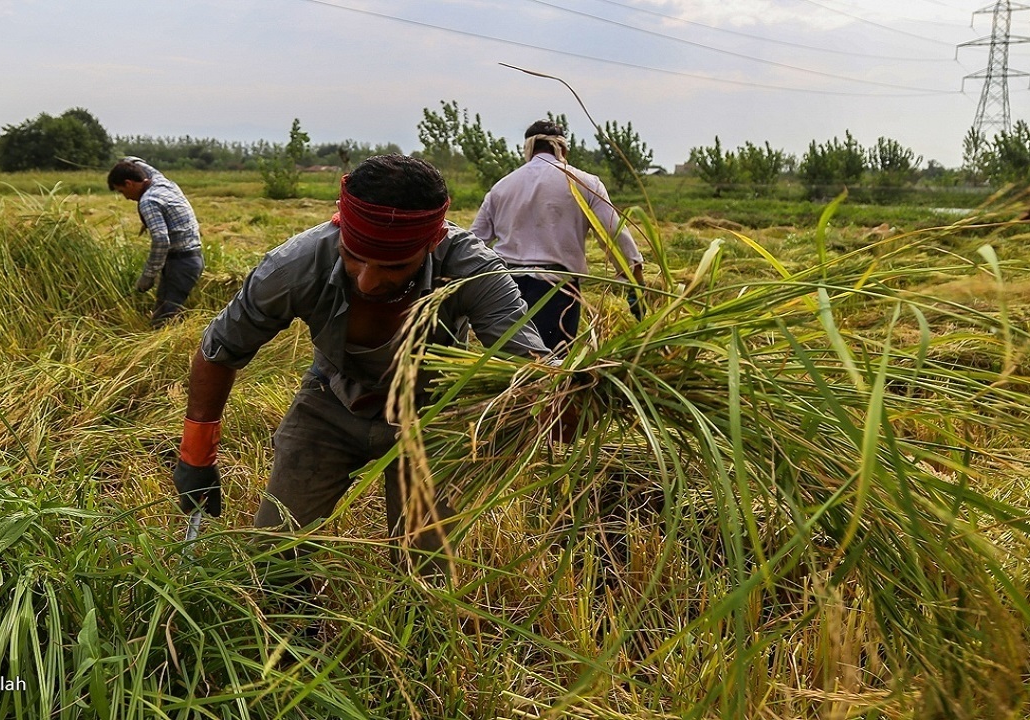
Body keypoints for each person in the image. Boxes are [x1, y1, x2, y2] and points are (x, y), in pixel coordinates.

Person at [169, 154, 550, 571]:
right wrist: (196, 454)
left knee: (425, 567)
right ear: (339, 225)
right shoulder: (293, 267)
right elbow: (218, 351)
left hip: (428, 413)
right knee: (275, 556)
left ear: (433, 242)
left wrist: (564, 392)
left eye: (395, 266)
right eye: (353, 257)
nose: (367, 280)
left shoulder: (472, 269)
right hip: (329, 403)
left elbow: (525, 362)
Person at [471, 120, 645, 349]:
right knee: (553, 367)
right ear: (562, 149)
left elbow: (473, 243)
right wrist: (636, 282)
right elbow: (614, 233)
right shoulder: (585, 183)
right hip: (557, 290)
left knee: (509, 363)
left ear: (529, 149)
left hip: (506, 289)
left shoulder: (502, 187)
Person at [107, 157, 204, 328]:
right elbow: (145, 167)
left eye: (121, 191)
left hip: (181, 264)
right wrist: (128, 160)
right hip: (190, 259)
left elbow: (160, 240)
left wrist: (148, 276)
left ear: (129, 183)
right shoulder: (161, 182)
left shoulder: (148, 201)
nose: (126, 197)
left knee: (165, 318)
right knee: (163, 309)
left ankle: (169, 351)